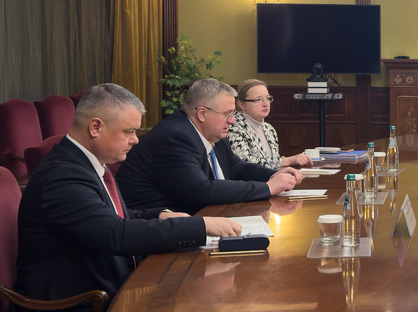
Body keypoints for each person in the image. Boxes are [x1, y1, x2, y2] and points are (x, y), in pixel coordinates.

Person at [14, 83, 242, 312]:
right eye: (129, 131)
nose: (135, 140)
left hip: (102, 292)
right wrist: (200, 226)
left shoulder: (86, 161)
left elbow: (113, 217)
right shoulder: (62, 177)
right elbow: (116, 234)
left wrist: (160, 215)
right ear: (95, 127)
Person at [118, 78, 302, 215]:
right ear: (202, 113)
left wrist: (273, 175)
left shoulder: (213, 134)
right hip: (157, 230)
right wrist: (267, 188)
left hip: (199, 218)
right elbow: (201, 191)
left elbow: (236, 167)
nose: (232, 121)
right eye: (227, 114)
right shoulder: (175, 137)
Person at [226, 79, 313, 169]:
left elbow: (273, 163)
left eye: (268, 98)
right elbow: (243, 163)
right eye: (258, 99)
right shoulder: (233, 127)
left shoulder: (269, 129)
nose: (266, 104)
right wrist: (286, 161)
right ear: (241, 104)